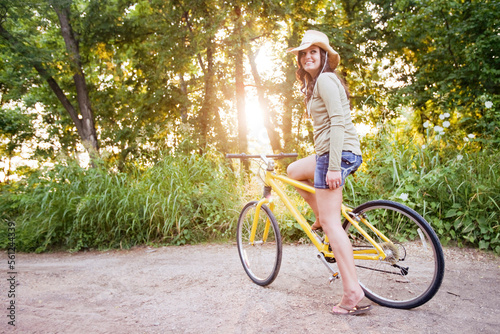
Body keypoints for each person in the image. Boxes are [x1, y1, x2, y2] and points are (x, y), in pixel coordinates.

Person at [286, 30, 371, 315]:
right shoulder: (316, 84)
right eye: (303, 53)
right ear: (300, 60)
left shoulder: (325, 79)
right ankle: (321, 215)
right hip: (332, 152)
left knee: (334, 227)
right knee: (293, 170)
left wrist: (333, 166)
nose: (308, 56)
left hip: (336, 154)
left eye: (314, 51)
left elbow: (337, 122)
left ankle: (352, 292)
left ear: (323, 56)